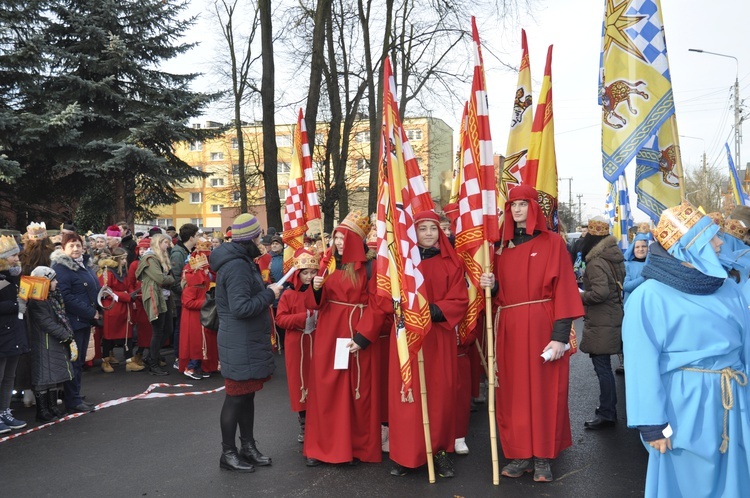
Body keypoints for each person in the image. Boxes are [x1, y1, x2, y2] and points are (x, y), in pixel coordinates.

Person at [623, 201, 750, 498]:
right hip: (684, 406)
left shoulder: (728, 288)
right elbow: (641, 362)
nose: (720, 243)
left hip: (734, 396)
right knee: (684, 482)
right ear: (687, 247)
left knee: (735, 474)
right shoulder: (648, 296)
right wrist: (653, 424)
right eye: (711, 237)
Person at [479, 185, 583, 482]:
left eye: (523, 204)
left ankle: (543, 457)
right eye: (513, 205)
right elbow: (500, 295)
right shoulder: (499, 248)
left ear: (533, 208)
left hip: (543, 327)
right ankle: (520, 452)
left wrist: (560, 336)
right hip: (510, 327)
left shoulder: (552, 242)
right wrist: (492, 284)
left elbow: (564, 290)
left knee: (545, 392)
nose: (518, 210)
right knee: (513, 393)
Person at [370, 210, 468, 478]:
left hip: (438, 337)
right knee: (407, 393)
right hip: (406, 337)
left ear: (441, 232)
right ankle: (406, 454)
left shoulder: (452, 263)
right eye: (422, 228)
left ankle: (439, 451)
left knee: (440, 395)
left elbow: (460, 298)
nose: (427, 233)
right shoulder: (401, 265)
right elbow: (384, 296)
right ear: (413, 232)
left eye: (432, 228)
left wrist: (433, 311)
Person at [304, 210, 382, 467]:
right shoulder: (329, 263)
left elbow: (378, 304)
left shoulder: (370, 267)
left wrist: (363, 336)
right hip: (329, 334)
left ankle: (352, 447)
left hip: (354, 335)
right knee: (327, 390)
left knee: (354, 392)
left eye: (343, 237)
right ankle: (321, 447)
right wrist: (315, 289)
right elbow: (315, 304)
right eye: (336, 237)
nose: (338, 242)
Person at [210, 213, 281, 473]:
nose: (262, 240)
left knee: (246, 396)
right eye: (259, 235)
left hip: (243, 340)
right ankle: (228, 453)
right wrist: (269, 294)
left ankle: (247, 447)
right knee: (235, 398)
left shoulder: (241, 260)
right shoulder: (238, 265)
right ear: (249, 238)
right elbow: (241, 307)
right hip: (239, 340)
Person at [577, 216, 625, 430]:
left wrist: (580, 294)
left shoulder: (595, 262)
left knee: (603, 368)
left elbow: (600, 293)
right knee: (606, 366)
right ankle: (608, 408)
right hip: (614, 315)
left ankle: (607, 412)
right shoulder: (614, 257)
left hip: (601, 320)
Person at [50, 232, 101, 413]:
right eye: (71, 245)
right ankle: (72, 400)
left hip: (84, 320)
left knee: (78, 360)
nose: (76, 248)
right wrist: (90, 312)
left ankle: (75, 394)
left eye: (78, 245)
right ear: (63, 249)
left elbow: (92, 287)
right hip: (74, 321)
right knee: (74, 361)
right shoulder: (62, 268)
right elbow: (66, 297)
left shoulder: (82, 265)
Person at [274, 248, 319, 444]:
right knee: (299, 382)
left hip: (317, 340)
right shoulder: (288, 294)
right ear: (297, 274)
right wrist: (305, 318)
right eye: (305, 272)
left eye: (313, 272)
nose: (309, 276)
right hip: (297, 343)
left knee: (318, 380)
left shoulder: (320, 292)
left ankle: (319, 421)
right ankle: (303, 422)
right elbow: (280, 319)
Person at [26, 266, 74, 422]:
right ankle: (42, 410)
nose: (57, 282)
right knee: (43, 376)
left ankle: (52, 407)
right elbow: (46, 322)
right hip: (43, 342)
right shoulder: (37, 301)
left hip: (52, 340)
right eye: (53, 280)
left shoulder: (51, 297)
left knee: (53, 374)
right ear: (44, 282)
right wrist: (65, 335)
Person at [0, 236, 30, 432]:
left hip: (14, 332)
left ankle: (4, 411)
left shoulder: (13, 276)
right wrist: (14, 305)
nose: (16, 258)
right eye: (13, 256)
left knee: (9, 376)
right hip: (3, 333)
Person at [97, 248, 143, 372]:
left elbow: (128, 286)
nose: (124, 261)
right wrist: (126, 296)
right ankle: (105, 360)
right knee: (109, 335)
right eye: (122, 258)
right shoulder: (108, 272)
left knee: (127, 335)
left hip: (125, 307)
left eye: (125, 258)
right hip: (112, 307)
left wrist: (132, 294)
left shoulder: (124, 271)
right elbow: (105, 291)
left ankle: (129, 361)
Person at [135, 233, 175, 376]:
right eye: (165, 242)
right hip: (154, 296)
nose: (168, 245)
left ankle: (151, 356)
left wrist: (168, 278)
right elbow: (160, 278)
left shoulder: (159, 258)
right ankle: (153, 362)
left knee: (167, 330)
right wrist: (171, 278)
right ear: (158, 243)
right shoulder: (150, 258)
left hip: (163, 296)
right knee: (158, 331)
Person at [179, 238, 218, 379]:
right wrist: (206, 303)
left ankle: (202, 366)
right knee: (195, 342)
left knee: (203, 340)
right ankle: (191, 367)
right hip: (194, 316)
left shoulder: (201, 273)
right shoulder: (194, 277)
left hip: (201, 314)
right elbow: (188, 302)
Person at [170, 223, 199, 370]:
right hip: (180, 298)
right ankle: (178, 357)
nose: (199, 237)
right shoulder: (178, 253)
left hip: (187, 296)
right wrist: (186, 293)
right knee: (180, 328)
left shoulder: (188, 251)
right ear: (192, 237)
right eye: (197, 235)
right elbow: (175, 278)